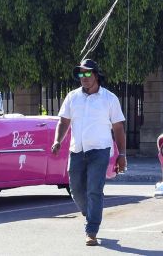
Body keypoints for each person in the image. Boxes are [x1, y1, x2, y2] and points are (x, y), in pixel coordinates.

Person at [51, 58, 127, 246]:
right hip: (77, 150)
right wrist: (57, 141)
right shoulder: (72, 97)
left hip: (100, 151)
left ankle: (91, 230)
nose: (83, 77)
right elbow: (64, 122)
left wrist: (122, 155)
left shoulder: (109, 99)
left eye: (87, 73)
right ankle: (90, 211)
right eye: (80, 74)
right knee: (75, 189)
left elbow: (118, 128)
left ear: (96, 75)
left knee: (94, 190)